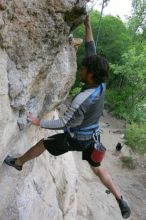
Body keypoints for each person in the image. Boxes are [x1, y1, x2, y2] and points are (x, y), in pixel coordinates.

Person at [4, 15, 131, 219]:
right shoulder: (101, 85)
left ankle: (18, 162)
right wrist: (88, 25)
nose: (81, 68)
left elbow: (63, 123)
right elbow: (92, 50)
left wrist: (39, 121)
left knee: (44, 143)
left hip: (78, 138)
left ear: (90, 74)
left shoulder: (81, 98)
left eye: (83, 68)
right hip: (93, 138)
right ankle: (120, 198)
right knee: (97, 170)